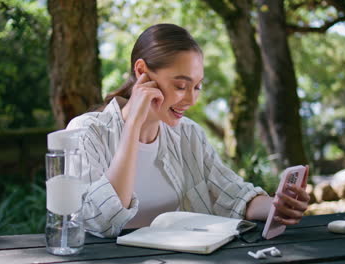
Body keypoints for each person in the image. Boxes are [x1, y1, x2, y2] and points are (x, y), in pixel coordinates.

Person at [67, 23, 310, 238]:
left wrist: (277, 206)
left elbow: (231, 194)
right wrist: (133, 127)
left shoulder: (189, 135)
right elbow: (100, 222)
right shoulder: (86, 133)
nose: (191, 99)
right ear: (142, 72)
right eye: (181, 85)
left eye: (197, 86)